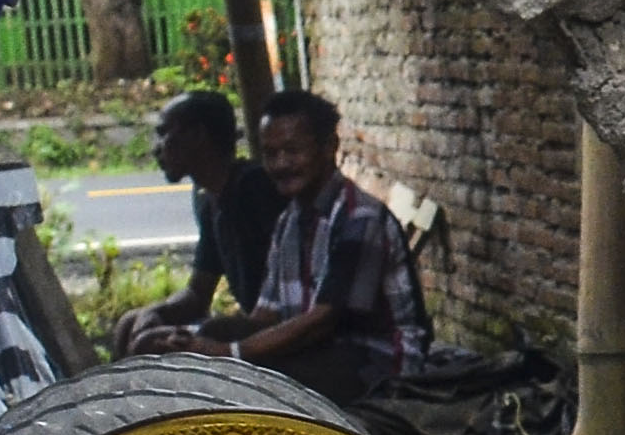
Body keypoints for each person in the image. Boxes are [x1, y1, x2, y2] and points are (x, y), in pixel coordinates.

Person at [153, 92, 427, 406]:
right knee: (216, 335)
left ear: (329, 148)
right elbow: (265, 316)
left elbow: (323, 321)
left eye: (293, 151)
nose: (281, 164)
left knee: (258, 383)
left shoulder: (360, 218)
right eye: (271, 154)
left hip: (377, 362)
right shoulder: (290, 221)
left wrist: (230, 353)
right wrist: (195, 335)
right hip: (323, 353)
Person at [106, 89, 281, 355]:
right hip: (252, 323)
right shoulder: (210, 199)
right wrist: (155, 312)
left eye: (165, 133)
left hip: (274, 326)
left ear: (198, 136)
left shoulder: (253, 188)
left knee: (151, 342)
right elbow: (198, 294)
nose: (157, 148)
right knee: (130, 323)